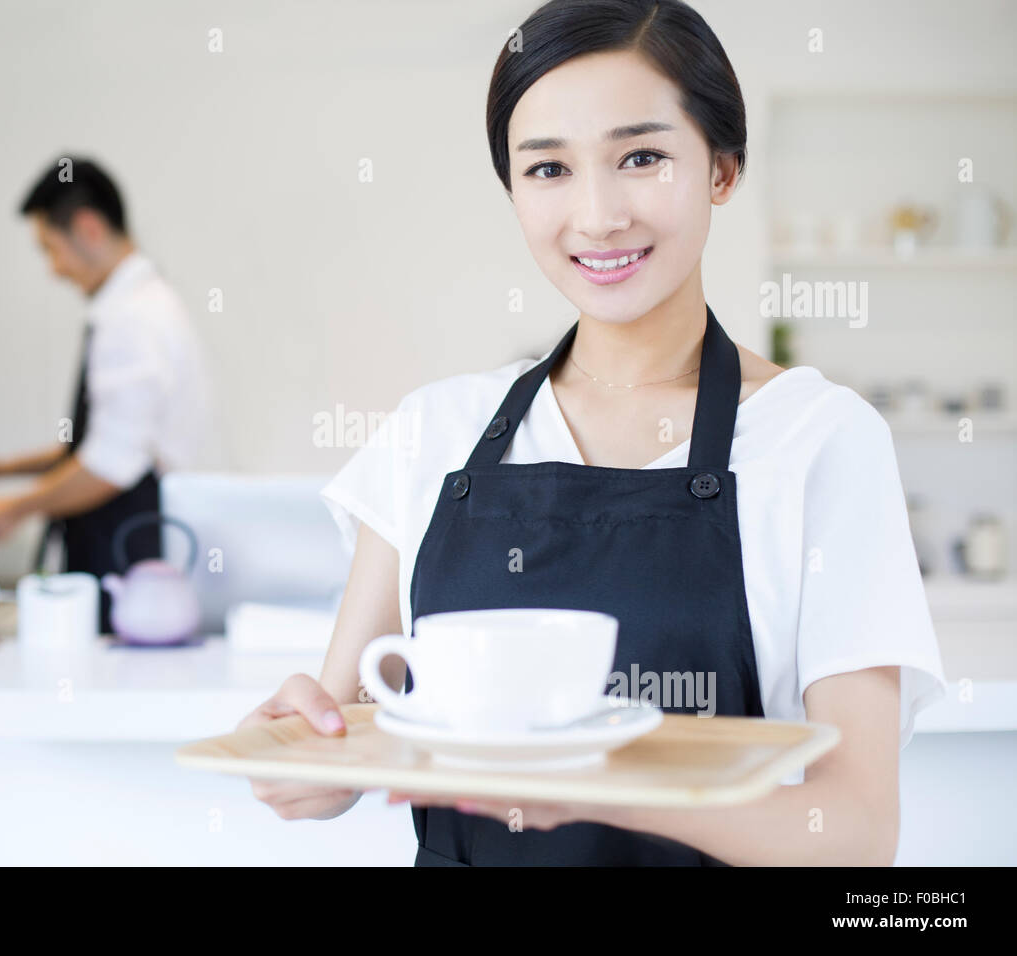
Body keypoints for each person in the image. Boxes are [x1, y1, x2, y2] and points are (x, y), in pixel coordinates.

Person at [239, 0, 946, 866]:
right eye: (548, 170)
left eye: (641, 157)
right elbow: (337, 748)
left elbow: (856, 832)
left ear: (723, 168)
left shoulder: (821, 439)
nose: (598, 215)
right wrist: (294, 752)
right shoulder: (435, 429)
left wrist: (605, 791)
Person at [0, 158, 217, 634]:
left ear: (87, 228)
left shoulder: (133, 317)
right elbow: (99, 447)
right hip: (133, 556)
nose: (53, 270)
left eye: (50, 248)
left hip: (134, 565)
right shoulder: (139, 306)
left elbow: (111, 465)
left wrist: (14, 508)